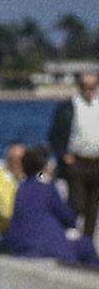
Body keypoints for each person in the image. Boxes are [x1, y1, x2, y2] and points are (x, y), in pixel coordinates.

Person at [2, 143, 99, 267]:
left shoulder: (21, 188)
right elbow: (69, 218)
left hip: (19, 245)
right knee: (85, 245)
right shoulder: (46, 188)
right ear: (44, 166)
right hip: (45, 246)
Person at [47, 69, 99, 236]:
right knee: (76, 204)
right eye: (84, 86)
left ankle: (87, 241)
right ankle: (68, 236)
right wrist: (63, 155)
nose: (87, 90)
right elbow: (55, 134)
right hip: (76, 162)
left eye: (91, 86)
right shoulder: (69, 106)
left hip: (96, 162)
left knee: (93, 207)